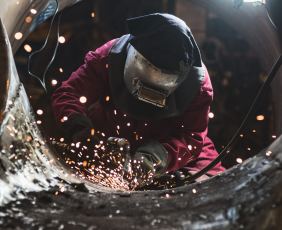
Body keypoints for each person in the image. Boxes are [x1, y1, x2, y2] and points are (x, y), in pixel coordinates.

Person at [51, 13, 225, 187]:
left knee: (210, 185)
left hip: (171, 149)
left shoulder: (198, 86)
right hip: (111, 139)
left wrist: (156, 157)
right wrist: (82, 133)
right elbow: (68, 94)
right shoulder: (108, 58)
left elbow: (191, 136)